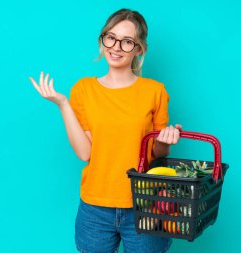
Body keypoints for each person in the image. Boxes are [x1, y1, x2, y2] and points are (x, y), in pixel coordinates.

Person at [29, 8, 182, 253]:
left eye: (127, 41)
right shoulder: (84, 90)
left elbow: (155, 153)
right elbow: (85, 153)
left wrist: (166, 140)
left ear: (139, 49)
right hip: (95, 209)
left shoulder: (155, 91)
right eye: (111, 37)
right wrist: (63, 104)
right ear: (103, 39)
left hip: (145, 205)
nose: (116, 46)